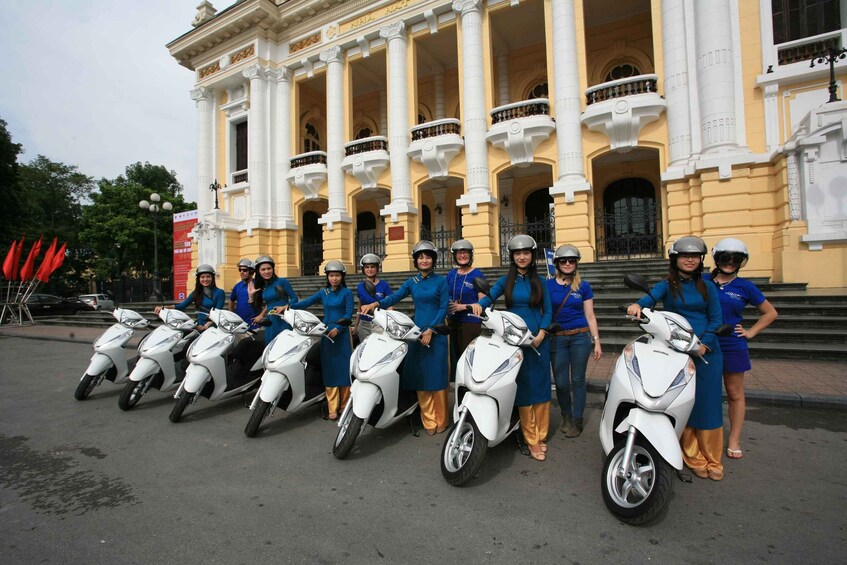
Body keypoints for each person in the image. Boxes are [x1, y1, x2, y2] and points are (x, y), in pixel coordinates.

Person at [626, 236, 725, 481]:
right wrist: (637, 306)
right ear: (675, 259)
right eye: (684, 255)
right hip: (676, 350)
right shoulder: (667, 284)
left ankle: (713, 457)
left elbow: (716, 319)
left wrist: (704, 344)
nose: (689, 259)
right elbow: (648, 299)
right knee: (682, 401)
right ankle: (691, 454)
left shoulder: (708, 286)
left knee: (708, 403)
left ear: (701, 260)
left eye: (694, 256)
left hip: (706, 350)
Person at [470, 235, 552, 462]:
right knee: (524, 387)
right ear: (512, 257)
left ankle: (542, 434)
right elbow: (489, 297)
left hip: (538, 339)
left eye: (526, 253)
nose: (522, 257)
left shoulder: (541, 280)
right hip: (514, 339)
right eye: (518, 254)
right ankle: (531, 439)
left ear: (532, 255)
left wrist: (542, 333)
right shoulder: (506, 281)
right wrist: (479, 305)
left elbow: (549, 310)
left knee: (542, 385)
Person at [359, 241, 449, 435]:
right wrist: (376, 304)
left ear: (433, 259)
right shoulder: (412, 282)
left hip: (437, 331)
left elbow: (443, 307)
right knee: (421, 377)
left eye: (428, 257)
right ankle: (428, 419)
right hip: (416, 333)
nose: (424, 260)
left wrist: (431, 329)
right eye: (420, 257)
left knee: (437, 377)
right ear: (416, 260)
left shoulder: (441, 281)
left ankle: (442, 419)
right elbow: (395, 297)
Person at [706, 238, 778, 460]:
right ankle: (703, 436)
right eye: (725, 258)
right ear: (717, 258)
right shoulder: (703, 280)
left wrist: (750, 332)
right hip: (705, 341)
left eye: (735, 259)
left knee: (735, 393)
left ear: (741, 262)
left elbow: (770, 312)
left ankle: (734, 439)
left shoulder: (745, 287)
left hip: (732, 343)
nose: (729, 262)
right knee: (704, 392)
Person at [286, 260, 355, 420]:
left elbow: (348, 314)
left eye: (337, 275)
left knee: (343, 370)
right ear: (327, 277)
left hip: (342, 333)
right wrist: (288, 307)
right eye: (331, 275)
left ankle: (344, 405)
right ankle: (332, 407)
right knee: (330, 370)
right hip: (326, 333)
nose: (334, 279)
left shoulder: (347, 293)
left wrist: (338, 329)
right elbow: (306, 303)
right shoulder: (323, 293)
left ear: (342, 276)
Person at [546, 244, 602, 438]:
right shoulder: (548, 285)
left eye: (571, 260)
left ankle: (577, 420)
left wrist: (597, 341)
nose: (568, 263)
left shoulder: (583, 286)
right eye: (564, 260)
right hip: (557, 338)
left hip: (580, 337)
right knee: (561, 382)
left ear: (576, 263)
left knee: (578, 380)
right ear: (557, 264)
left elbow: (591, 315)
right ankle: (566, 416)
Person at [446, 239, 485, 379]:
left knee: (467, 357)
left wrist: (462, 306)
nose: (462, 255)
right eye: (459, 253)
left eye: (465, 253)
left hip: (470, 322)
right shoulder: (452, 274)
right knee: (454, 357)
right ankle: (457, 387)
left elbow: (483, 301)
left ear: (470, 255)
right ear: (455, 256)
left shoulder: (477, 275)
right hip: (452, 320)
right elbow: (445, 293)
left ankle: (468, 387)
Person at [154, 264, 225, 331]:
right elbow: (181, 306)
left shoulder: (219, 292)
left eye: (208, 277)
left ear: (212, 278)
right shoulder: (196, 293)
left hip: (213, 326)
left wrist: (207, 325)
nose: (205, 279)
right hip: (198, 326)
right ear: (198, 279)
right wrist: (164, 307)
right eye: (202, 277)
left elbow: (217, 312)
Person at [250, 255, 298, 343]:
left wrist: (284, 307)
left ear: (273, 269)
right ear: (259, 271)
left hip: (283, 319)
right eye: (263, 269)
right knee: (270, 346)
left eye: (269, 268)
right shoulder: (262, 286)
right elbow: (268, 304)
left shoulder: (282, 281)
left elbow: (295, 298)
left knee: (284, 345)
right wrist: (251, 296)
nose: (267, 271)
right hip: (270, 322)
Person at [354, 253, 392, 344]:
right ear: (363, 269)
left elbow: (389, 306)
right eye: (367, 267)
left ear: (377, 268)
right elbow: (359, 307)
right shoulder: (360, 286)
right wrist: (356, 326)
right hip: (364, 324)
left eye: (372, 267)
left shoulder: (384, 285)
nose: (370, 269)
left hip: (379, 324)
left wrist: (389, 324)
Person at [229, 258, 257, 328]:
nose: (241, 272)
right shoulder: (237, 286)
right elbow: (231, 300)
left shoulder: (257, 284)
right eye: (240, 270)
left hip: (254, 325)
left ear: (251, 271)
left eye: (244, 270)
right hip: (240, 325)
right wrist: (232, 315)